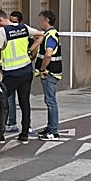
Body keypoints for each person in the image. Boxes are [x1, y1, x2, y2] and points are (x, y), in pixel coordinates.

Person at [0, 8, 41, 143]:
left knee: (1, 101)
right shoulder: (23, 27)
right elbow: (40, 35)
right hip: (26, 71)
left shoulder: (3, 32)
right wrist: (30, 50)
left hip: (12, 73)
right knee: (24, 102)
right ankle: (24, 133)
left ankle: (0, 133)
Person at [34, 10, 62, 140]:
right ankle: (50, 127)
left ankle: (53, 131)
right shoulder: (49, 34)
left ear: (46, 21)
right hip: (50, 73)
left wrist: (42, 69)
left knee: (51, 102)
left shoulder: (50, 36)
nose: (39, 23)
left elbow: (48, 54)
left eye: (41, 20)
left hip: (49, 73)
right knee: (49, 101)